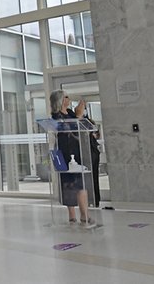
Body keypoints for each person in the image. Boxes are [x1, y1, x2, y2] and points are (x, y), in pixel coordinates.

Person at [51, 90, 92, 225]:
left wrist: (81, 115)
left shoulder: (71, 113)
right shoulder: (56, 116)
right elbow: (67, 129)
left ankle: (84, 215)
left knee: (80, 183)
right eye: (66, 97)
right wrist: (78, 117)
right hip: (65, 152)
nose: (69, 99)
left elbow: (78, 127)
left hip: (77, 150)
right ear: (61, 100)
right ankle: (72, 215)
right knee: (68, 184)